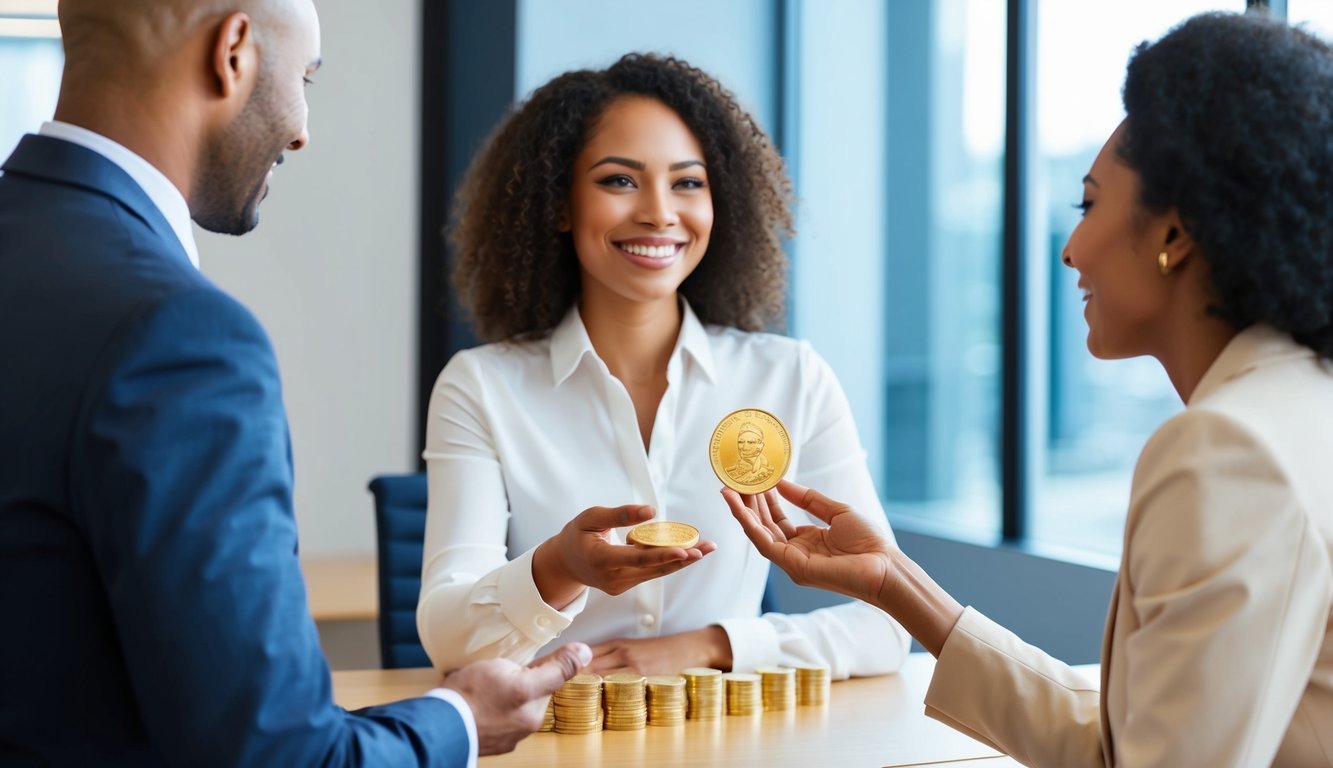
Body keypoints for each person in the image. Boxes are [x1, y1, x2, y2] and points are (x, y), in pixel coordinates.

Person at [725, 12, 1333, 767]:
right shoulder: (1305, 403)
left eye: (1089, 204)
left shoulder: (1226, 447)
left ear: (1173, 234)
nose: (1070, 250)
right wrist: (893, 582)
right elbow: (1124, 741)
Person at [0, 1, 588, 765]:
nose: (303, 127)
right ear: (234, 51)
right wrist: (460, 722)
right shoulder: (180, 338)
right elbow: (275, 754)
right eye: (304, 78)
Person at [417, 53, 911, 679]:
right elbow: (448, 640)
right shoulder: (481, 387)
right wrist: (558, 567)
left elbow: (889, 622)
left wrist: (713, 645)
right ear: (560, 204)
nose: (658, 212)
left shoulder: (792, 379)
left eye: (688, 182)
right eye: (619, 180)